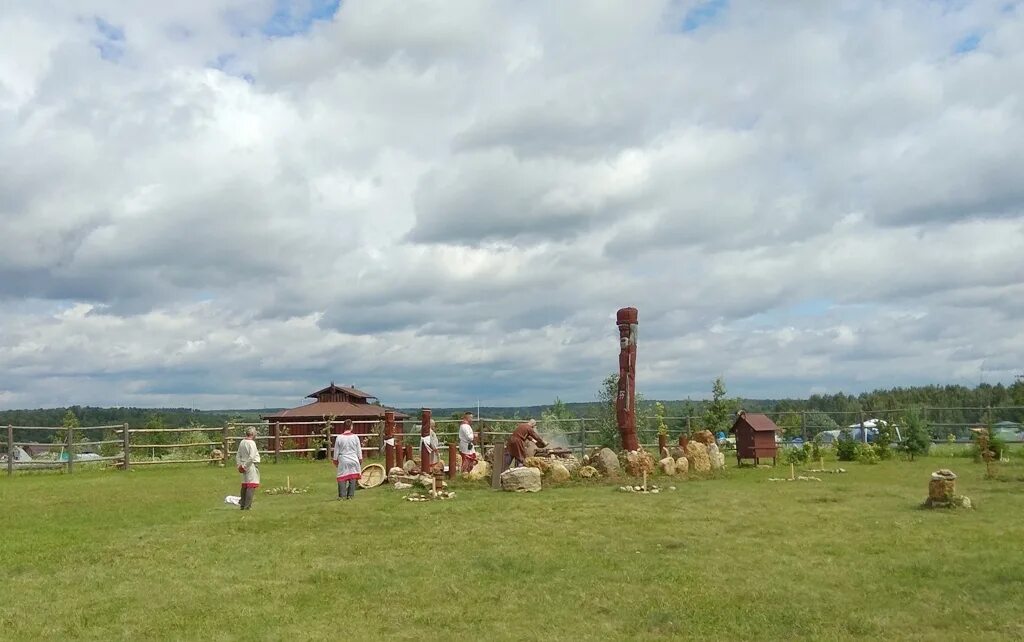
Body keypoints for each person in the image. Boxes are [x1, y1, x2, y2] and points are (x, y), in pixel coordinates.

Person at [332, 420, 363, 500]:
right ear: (351, 427)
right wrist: (360, 459)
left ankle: (342, 495)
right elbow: (359, 449)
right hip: (353, 458)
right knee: (352, 476)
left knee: (342, 476)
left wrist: (335, 460)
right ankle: (350, 495)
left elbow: (336, 451)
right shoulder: (355, 437)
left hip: (343, 459)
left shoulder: (339, 437)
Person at [235, 426, 261, 510]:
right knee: (251, 485)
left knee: (245, 485)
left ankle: (242, 504)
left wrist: (240, 465)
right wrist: (245, 466)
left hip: (243, 463)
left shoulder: (242, 442)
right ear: (253, 434)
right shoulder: (251, 443)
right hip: (250, 465)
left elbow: (238, 454)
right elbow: (252, 456)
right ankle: (247, 505)